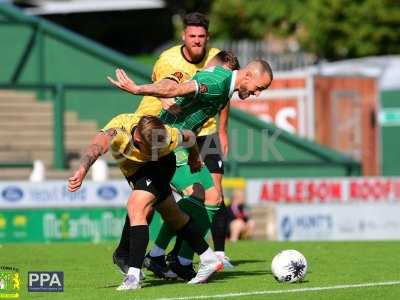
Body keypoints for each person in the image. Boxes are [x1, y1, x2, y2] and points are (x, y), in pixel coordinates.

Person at [108, 57, 273, 279]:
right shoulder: (217, 82)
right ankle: (182, 259)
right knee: (206, 199)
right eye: (259, 88)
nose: (258, 93)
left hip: (182, 143)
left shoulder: (226, 85)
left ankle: (162, 258)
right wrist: (139, 90)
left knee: (180, 202)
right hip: (168, 144)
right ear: (248, 75)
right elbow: (179, 88)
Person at [68, 114, 224, 290]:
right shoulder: (119, 133)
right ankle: (209, 257)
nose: (154, 153)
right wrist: (82, 170)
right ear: (137, 138)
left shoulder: (166, 135)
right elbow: (95, 147)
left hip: (163, 166)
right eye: (150, 150)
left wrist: (194, 157)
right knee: (173, 215)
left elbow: (189, 136)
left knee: (136, 206)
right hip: (138, 172)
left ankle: (133, 276)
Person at [132, 12, 233, 267]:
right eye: (192, 36)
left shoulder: (218, 59)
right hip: (175, 132)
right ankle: (168, 256)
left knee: (215, 194)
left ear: (207, 37)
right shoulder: (168, 59)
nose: (197, 41)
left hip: (206, 133)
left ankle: (214, 253)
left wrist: (223, 130)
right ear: (183, 37)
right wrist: (165, 98)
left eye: (202, 36)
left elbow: (224, 96)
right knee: (182, 196)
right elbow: (162, 85)